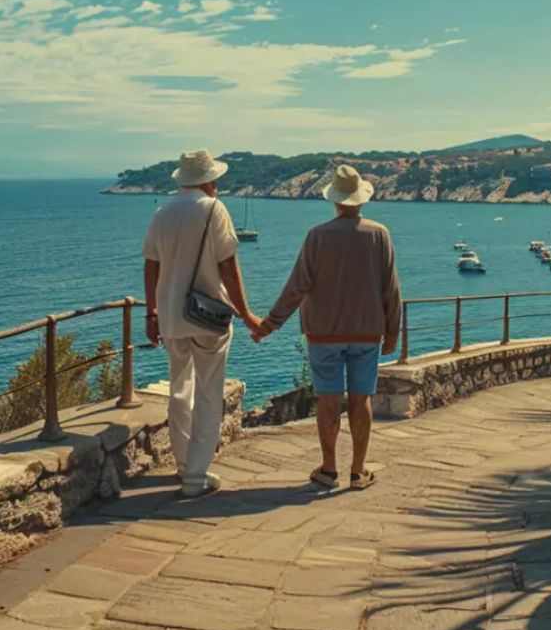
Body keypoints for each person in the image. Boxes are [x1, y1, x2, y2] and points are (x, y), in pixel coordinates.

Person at [251, 164, 401, 490]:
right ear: (361, 199)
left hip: (323, 334)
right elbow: (391, 289)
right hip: (366, 332)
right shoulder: (379, 235)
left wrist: (269, 325)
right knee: (361, 401)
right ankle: (359, 472)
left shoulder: (317, 236)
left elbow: (297, 287)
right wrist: (392, 333)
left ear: (335, 200)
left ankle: (329, 469)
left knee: (328, 401)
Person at [143, 149, 262, 497]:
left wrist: (151, 312)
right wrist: (246, 312)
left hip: (170, 316)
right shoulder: (213, 209)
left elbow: (151, 265)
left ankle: (182, 465)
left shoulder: (162, 213)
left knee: (180, 389)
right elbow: (228, 266)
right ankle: (195, 476)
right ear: (209, 180)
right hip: (208, 317)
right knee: (210, 393)